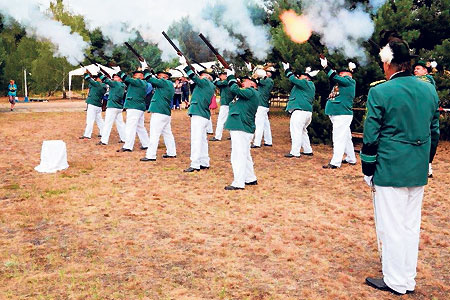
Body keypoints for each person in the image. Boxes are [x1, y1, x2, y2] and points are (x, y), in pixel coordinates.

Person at [361, 35, 440, 296]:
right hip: (417, 168)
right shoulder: (429, 88)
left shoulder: (380, 91)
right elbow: (434, 131)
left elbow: (371, 136)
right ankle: (407, 278)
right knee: (409, 226)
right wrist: (425, 161)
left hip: (390, 168)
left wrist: (367, 168)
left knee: (392, 226)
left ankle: (396, 281)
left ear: (388, 64)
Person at [224, 70, 260, 190]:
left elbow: (234, 89)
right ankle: (250, 178)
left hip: (241, 126)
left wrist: (231, 76)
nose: (243, 82)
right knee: (245, 154)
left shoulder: (251, 92)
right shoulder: (247, 94)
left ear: (253, 84)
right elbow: (232, 94)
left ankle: (238, 182)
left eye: (246, 81)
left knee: (238, 155)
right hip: (241, 125)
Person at [320, 59, 357, 169]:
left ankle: (335, 162)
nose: (340, 74)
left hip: (342, 113)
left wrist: (326, 67)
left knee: (338, 138)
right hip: (339, 113)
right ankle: (351, 158)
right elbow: (333, 79)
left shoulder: (349, 80)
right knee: (345, 137)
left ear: (348, 74)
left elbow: (334, 76)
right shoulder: (342, 82)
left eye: (342, 73)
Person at [182, 60, 216, 172]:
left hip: (199, 113)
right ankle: (204, 162)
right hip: (203, 114)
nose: (200, 77)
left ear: (207, 77)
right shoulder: (209, 85)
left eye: (202, 75)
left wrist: (185, 65)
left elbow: (193, 77)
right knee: (202, 140)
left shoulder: (205, 83)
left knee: (196, 139)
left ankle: (195, 164)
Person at [140, 69, 177, 162]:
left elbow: (149, 78)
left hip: (159, 111)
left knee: (154, 134)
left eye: (161, 76)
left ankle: (151, 155)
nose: (159, 77)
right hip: (165, 112)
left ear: (165, 77)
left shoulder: (164, 83)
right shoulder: (169, 84)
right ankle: (171, 152)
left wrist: (145, 69)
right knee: (167, 134)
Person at [281, 63, 317, 158]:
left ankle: (295, 152)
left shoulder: (305, 82)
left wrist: (287, 69)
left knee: (296, 131)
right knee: (303, 131)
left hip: (300, 111)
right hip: (306, 111)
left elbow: (292, 79)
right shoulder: (310, 85)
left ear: (305, 77)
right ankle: (307, 150)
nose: (298, 77)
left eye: (300, 76)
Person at [413, 60, 438, 177]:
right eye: (415, 68)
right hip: (422, 113)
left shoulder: (426, 79)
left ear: (425, 71)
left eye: (418, 68)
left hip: (428, 114)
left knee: (431, 138)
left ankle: (427, 165)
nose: (415, 70)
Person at [116, 70, 150, 152]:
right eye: (134, 75)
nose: (135, 76)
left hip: (134, 106)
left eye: (137, 74)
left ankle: (128, 146)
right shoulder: (138, 83)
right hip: (137, 106)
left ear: (142, 76)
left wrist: (119, 71)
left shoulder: (140, 82)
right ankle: (146, 144)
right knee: (140, 126)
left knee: (130, 127)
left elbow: (126, 79)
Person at [97, 73, 126, 145]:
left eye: (116, 77)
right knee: (120, 124)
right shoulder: (123, 85)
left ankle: (104, 140)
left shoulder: (116, 83)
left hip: (112, 106)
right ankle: (124, 138)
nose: (114, 78)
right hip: (119, 106)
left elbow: (106, 80)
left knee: (107, 124)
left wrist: (99, 74)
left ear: (120, 78)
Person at [251, 67, 274, 148]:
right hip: (263, 105)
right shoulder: (265, 81)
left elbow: (256, 81)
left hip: (261, 105)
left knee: (259, 124)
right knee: (265, 125)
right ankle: (268, 141)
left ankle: (257, 143)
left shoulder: (268, 81)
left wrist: (256, 75)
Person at [79, 73, 106, 139]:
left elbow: (88, 79)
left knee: (90, 120)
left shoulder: (97, 84)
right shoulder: (104, 86)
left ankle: (87, 135)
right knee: (99, 120)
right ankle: (103, 133)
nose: (95, 79)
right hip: (98, 105)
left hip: (92, 104)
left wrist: (85, 73)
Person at [210, 71, 234, 141]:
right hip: (229, 103)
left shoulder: (226, 81)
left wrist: (215, 79)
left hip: (226, 103)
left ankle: (218, 136)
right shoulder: (228, 81)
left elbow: (216, 83)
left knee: (221, 120)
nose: (220, 77)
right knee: (230, 120)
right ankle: (232, 135)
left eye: (221, 75)